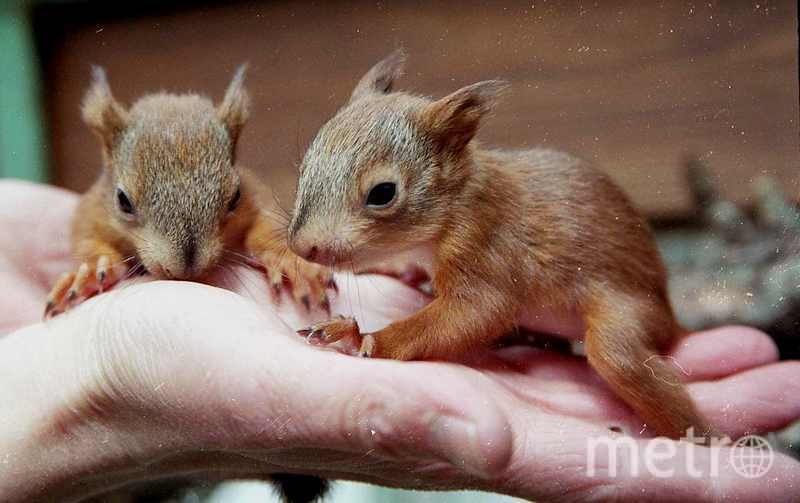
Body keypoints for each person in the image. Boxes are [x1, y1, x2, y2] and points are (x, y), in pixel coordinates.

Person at [1, 180, 798, 502]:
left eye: (378, 199)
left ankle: (687, 430)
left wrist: (379, 344)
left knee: (616, 356)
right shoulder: (437, 233)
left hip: (608, 294)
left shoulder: (472, 227)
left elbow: (472, 309)